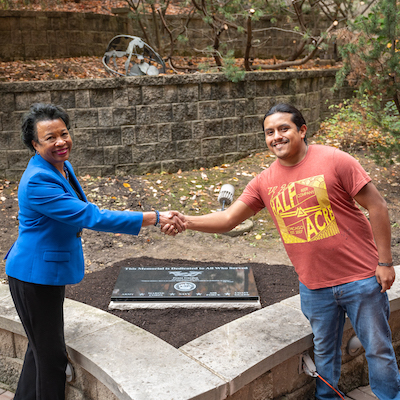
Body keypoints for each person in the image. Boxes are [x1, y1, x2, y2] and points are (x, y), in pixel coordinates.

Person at [171, 103, 400, 399]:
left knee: (378, 349)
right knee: (324, 353)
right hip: (314, 287)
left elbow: (377, 206)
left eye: (283, 129)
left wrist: (385, 262)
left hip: (360, 279)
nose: (276, 137)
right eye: (269, 132)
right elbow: (229, 219)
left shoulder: (334, 160)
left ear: (302, 130)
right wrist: (186, 221)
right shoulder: (265, 181)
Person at [4, 103, 185, 400]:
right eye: (50, 138)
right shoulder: (38, 180)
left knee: (40, 352)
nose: (61, 141)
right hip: (33, 276)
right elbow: (90, 215)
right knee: (51, 359)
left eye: (64, 133)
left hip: (44, 273)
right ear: (34, 145)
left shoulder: (60, 167)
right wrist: (153, 217)